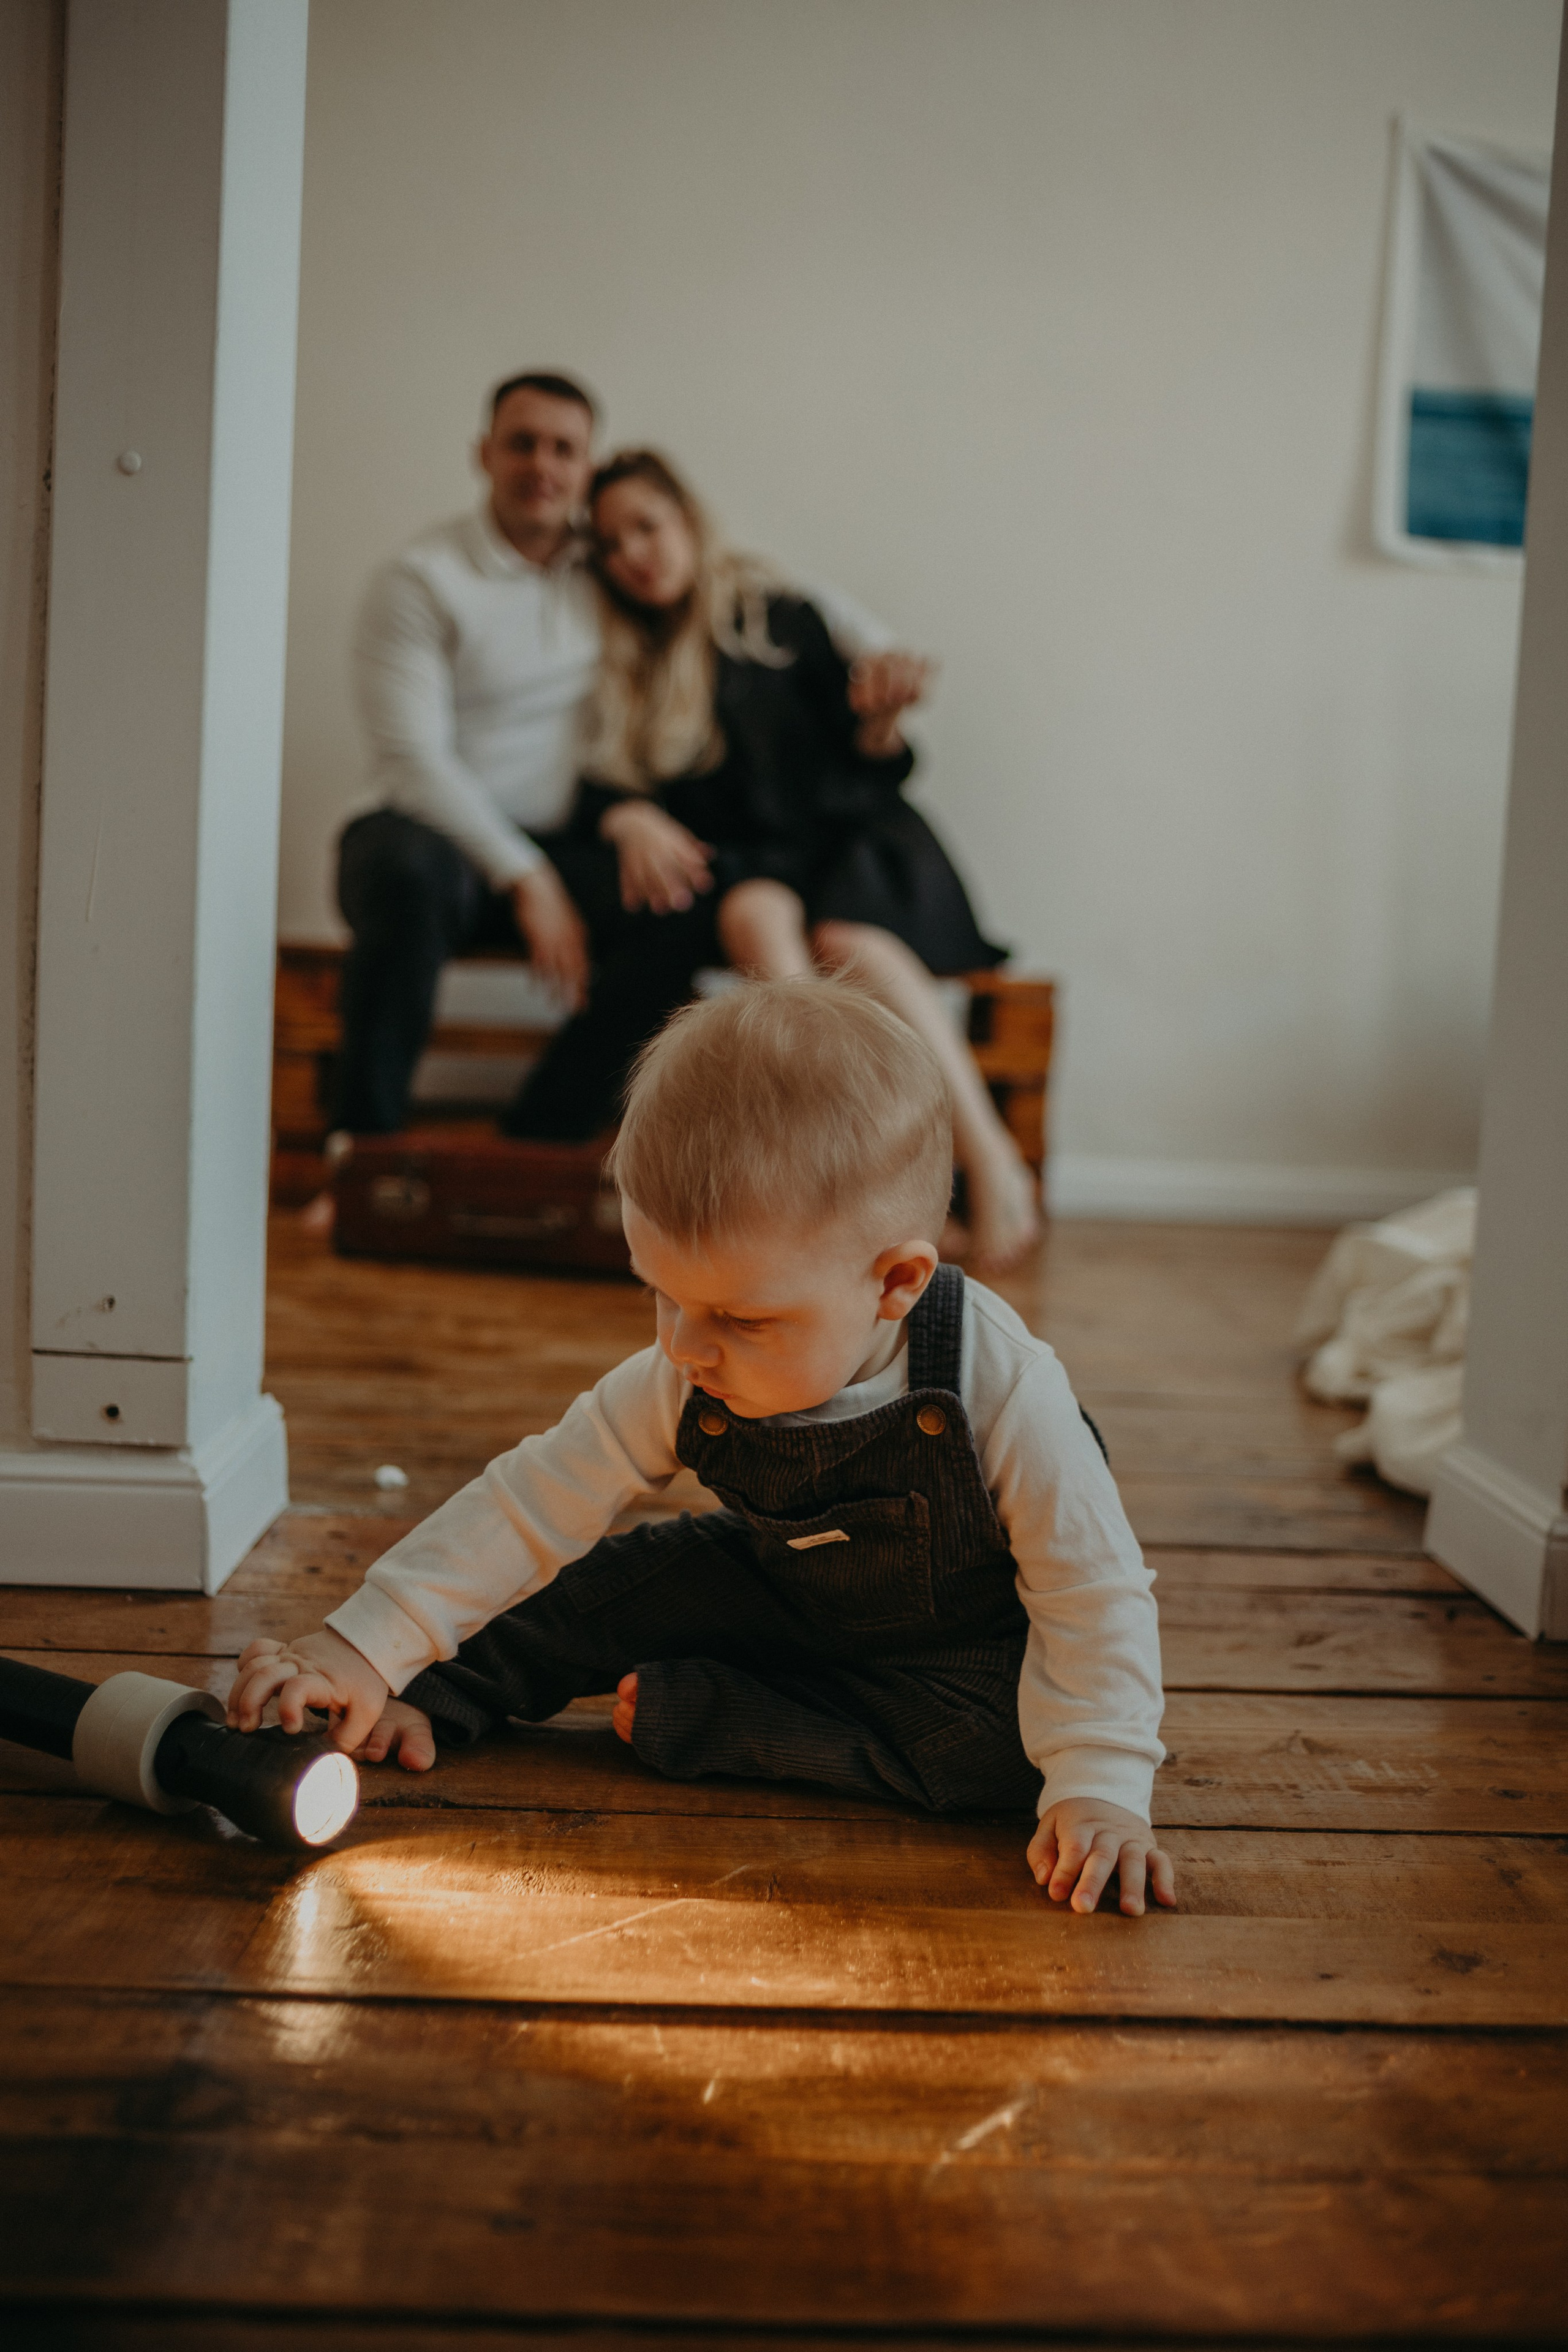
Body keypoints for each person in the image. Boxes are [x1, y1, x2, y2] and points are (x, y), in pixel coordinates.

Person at [228, 981, 1174, 1917]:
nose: (685, 1344)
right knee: (606, 1585)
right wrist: (366, 1648)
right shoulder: (687, 1363)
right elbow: (531, 1503)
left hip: (969, 1654)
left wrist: (1100, 1786)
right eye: (664, 1294)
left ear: (896, 1282)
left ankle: (738, 1720)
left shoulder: (1002, 1383)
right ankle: (436, 1692)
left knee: (1017, 1753)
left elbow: (1091, 1592)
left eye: (739, 1316)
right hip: (781, 1589)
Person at [330, 372, 894, 1147]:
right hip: (435, 838)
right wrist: (524, 875)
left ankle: (541, 1135)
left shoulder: (607, 573)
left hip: (571, 845)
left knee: (688, 894)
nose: (542, 465)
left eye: (564, 448)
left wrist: (880, 650)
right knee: (406, 872)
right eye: (521, 443)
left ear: (585, 468)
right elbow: (409, 759)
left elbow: (761, 588)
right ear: (483, 454)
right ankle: (361, 1149)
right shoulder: (422, 579)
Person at [574, 448, 1041, 1270]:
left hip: (849, 843)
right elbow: (610, 785)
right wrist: (630, 816)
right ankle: (836, 1184)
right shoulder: (628, 663)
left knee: (852, 946)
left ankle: (990, 1165)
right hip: (750, 868)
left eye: (645, 527)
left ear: (686, 519)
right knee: (755, 911)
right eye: (610, 545)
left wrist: (878, 724)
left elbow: (865, 759)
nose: (632, 556)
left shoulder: (781, 618)